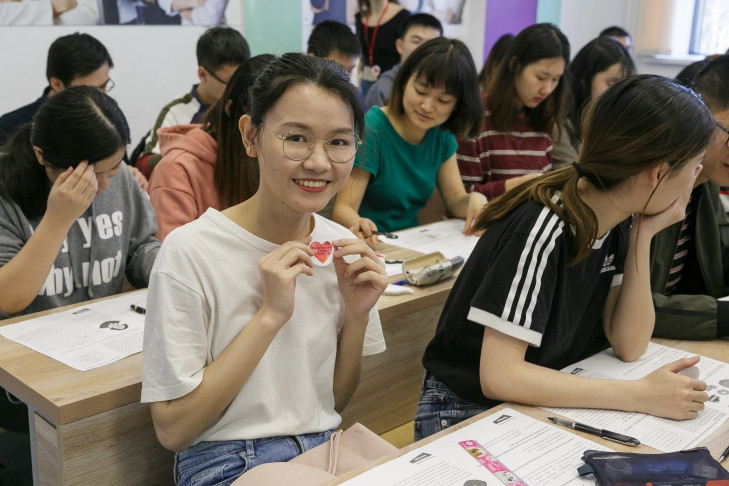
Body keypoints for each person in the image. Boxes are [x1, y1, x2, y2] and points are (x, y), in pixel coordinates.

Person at [415, 74, 713, 441]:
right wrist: (638, 395)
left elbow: (629, 343)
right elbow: (499, 376)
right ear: (658, 173)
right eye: (695, 166)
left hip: (538, 397)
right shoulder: (544, 226)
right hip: (463, 408)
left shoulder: (618, 216)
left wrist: (643, 234)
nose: (698, 178)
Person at [141, 53, 387, 485]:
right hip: (227, 462)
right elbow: (174, 430)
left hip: (323, 450)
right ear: (251, 136)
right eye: (296, 138)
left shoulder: (339, 249)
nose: (318, 162)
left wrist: (357, 315)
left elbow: (333, 402)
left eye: (339, 142)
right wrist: (270, 316)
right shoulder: (189, 251)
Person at [0, 86, 160, 443]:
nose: (103, 185)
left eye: (114, 169)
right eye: (89, 175)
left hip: (103, 346)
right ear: (42, 156)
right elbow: (7, 298)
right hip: (26, 371)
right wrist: (57, 219)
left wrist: (172, 264)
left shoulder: (120, 182)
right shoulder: (7, 192)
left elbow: (139, 248)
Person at [332, 37, 486, 238]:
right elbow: (343, 210)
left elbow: (455, 200)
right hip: (371, 243)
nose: (427, 106)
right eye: (421, 91)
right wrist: (359, 224)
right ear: (404, 81)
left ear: (457, 105)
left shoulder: (442, 135)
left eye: (443, 100)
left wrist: (474, 200)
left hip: (411, 241)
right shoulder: (374, 128)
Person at [148, 55, 272, 241]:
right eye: (261, 127)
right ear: (232, 111)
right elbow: (172, 261)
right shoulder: (178, 170)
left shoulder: (280, 162)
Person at [651, 55, 729, 340]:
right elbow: (622, 308)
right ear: (698, 114)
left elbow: (718, 261)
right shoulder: (648, 185)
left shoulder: (706, 181)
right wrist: (721, 317)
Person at [457, 23, 569, 199]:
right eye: (541, 77)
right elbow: (460, 198)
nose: (547, 89)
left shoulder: (544, 117)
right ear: (515, 65)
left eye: (555, 80)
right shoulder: (475, 115)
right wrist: (514, 186)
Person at [133, 26, 250, 178]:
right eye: (229, 83)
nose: (236, 89)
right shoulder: (177, 111)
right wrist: (190, 155)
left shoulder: (248, 106)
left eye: (240, 80)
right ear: (202, 74)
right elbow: (144, 164)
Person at [0, 32, 114, 146]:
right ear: (57, 84)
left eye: (104, 86)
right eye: (92, 90)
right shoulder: (10, 128)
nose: (102, 97)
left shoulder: (107, 118)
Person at [552, 36, 635, 169]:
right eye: (611, 83)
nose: (618, 92)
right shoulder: (558, 117)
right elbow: (569, 174)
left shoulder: (615, 116)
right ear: (585, 78)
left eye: (622, 85)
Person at [364, 12, 442, 109]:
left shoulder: (446, 85)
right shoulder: (382, 90)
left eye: (431, 44)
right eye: (417, 41)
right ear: (400, 46)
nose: (424, 49)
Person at [355, 0, 410, 97]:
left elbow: (407, 56)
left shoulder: (403, 16)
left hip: (391, 84)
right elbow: (362, 54)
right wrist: (358, 80)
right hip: (365, 81)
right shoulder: (360, 17)